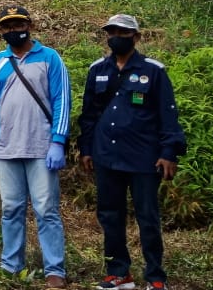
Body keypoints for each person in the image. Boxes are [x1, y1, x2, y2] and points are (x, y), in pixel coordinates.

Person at [78, 14, 187, 290]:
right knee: (110, 215)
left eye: (123, 32)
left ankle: (155, 276)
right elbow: (89, 115)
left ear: (136, 37)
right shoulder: (98, 70)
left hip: (143, 157)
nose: (117, 36)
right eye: (112, 31)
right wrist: (87, 149)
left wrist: (169, 152)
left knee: (147, 216)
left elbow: (167, 114)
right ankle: (118, 273)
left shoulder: (153, 71)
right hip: (106, 156)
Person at [0, 5, 71, 289]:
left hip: (42, 148)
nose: (13, 30)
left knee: (46, 210)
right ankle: (11, 264)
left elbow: (62, 100)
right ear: (1, 31)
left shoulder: (50, 58)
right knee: (10, 209)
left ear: (29, 25)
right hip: (6, 149)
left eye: (18, 24)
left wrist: (58, 140)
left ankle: (55, 268)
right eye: (7, 26)